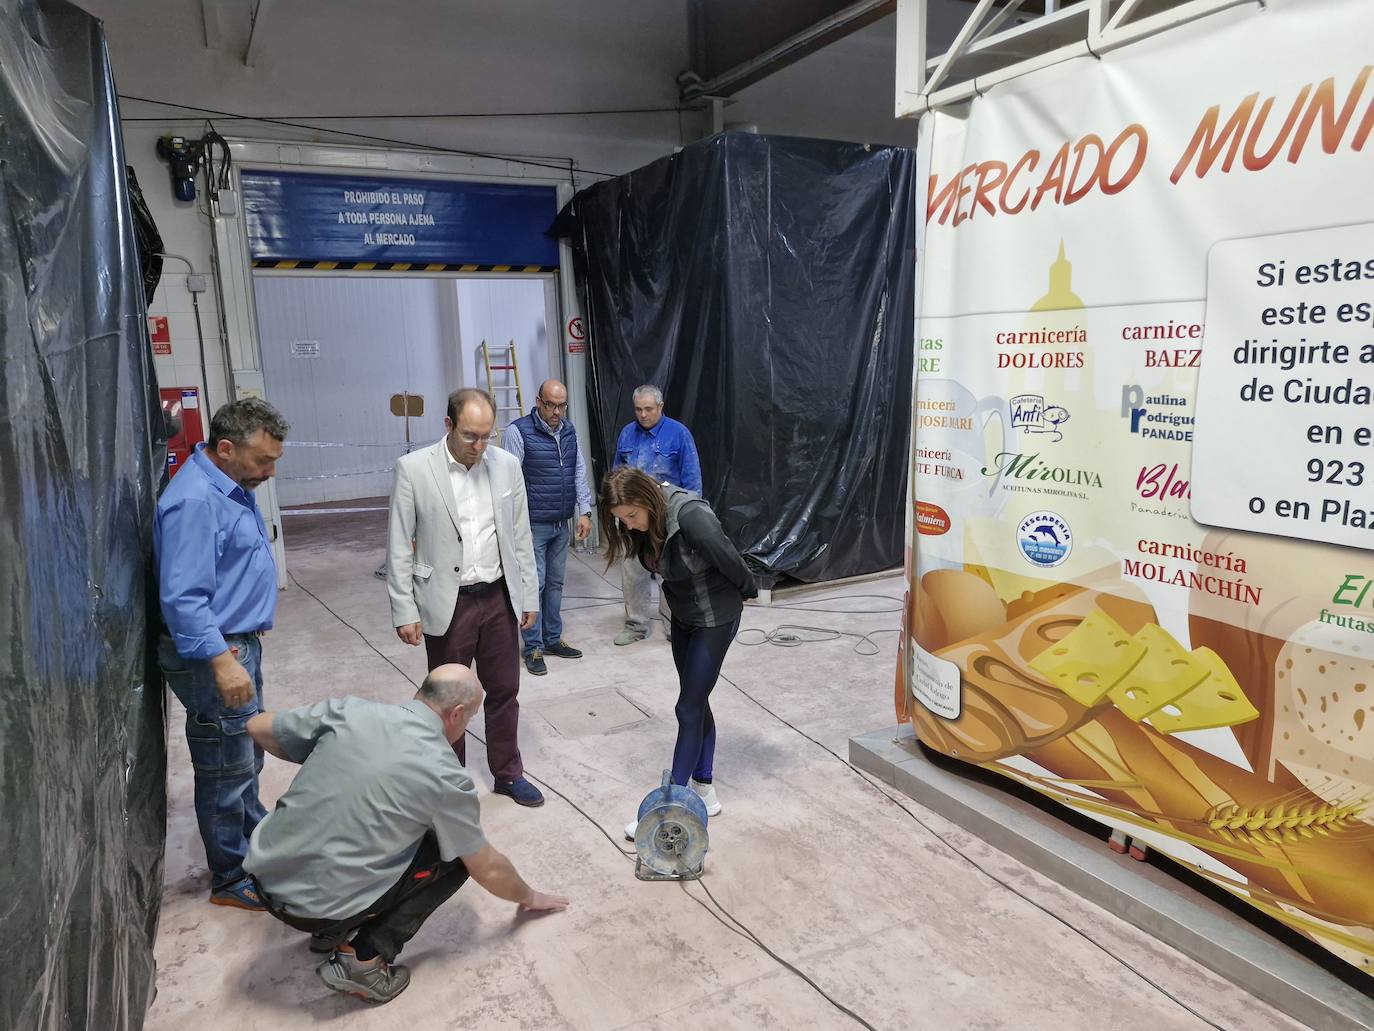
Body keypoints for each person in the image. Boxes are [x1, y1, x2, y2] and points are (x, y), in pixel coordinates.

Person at [244, 664, 569, 1005]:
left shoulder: (351, 711)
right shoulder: (444, 773)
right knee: (457, 855)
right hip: (316, 908)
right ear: (456, 714)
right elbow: (486, 867)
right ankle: (362, 960)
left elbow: (257, 726)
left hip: (264, 881)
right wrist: (530, 897)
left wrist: (326, 761)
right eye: (471, 718)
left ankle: (331, 930)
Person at [154, 396, 289, 911]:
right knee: (225, 763)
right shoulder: (194, 500)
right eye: (262, 460)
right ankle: (232, 877)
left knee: (245, 754)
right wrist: (222, 659)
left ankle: (255, 847)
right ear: (226, 447)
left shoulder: (228, 483)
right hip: (217, 651)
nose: (270, 471)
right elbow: (183, 596)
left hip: (237, 644)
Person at [386, 388, 545, 807]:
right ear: (448, 426)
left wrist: (528, 595)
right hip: (447, 602)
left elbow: (520, 536)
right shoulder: (414, 469)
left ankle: (508, 774)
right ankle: (449, 783)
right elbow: (400, 545)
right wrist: (404, 607)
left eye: (486, 436)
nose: (479, 446)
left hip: (497, 597)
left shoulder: (507, 466)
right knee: (447, 699)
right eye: (470, 436)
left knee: (505, 690)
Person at [598, 466, 756, 839]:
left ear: (647, 499)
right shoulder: (639, 525)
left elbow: (730, 560)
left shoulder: (690, 516)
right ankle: (705, 789)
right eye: (623, 521)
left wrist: (748, 590)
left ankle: (670, 804)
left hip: (715, 616)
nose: (631, 526)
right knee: (696, 702)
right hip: (683, 615)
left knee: (687, 707)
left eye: (633, 516)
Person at [502, 379, 593, 676]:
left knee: (555, 584)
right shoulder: (518, 432)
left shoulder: (568, 430)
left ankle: (552, 639)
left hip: (560, 523)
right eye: (551, 404)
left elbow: (578, 469)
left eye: (561, 405)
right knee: (534, 584)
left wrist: (585, 510)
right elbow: (509, 483)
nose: (556, 411)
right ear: (538, 400)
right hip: (532, 525)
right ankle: (533, 647)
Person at [611, 384, 703, 646]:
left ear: (661, 407)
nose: (643, 415)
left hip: (666, 519)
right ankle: (636, 625)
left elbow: (692, 482)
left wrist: (688, 519)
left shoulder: (679, 434)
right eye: (638, 409)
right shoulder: (627, 434)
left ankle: (676, 626)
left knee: (670, 572)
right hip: (631, 520)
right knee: (633, 571)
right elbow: (617, 476)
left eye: (649, 409)